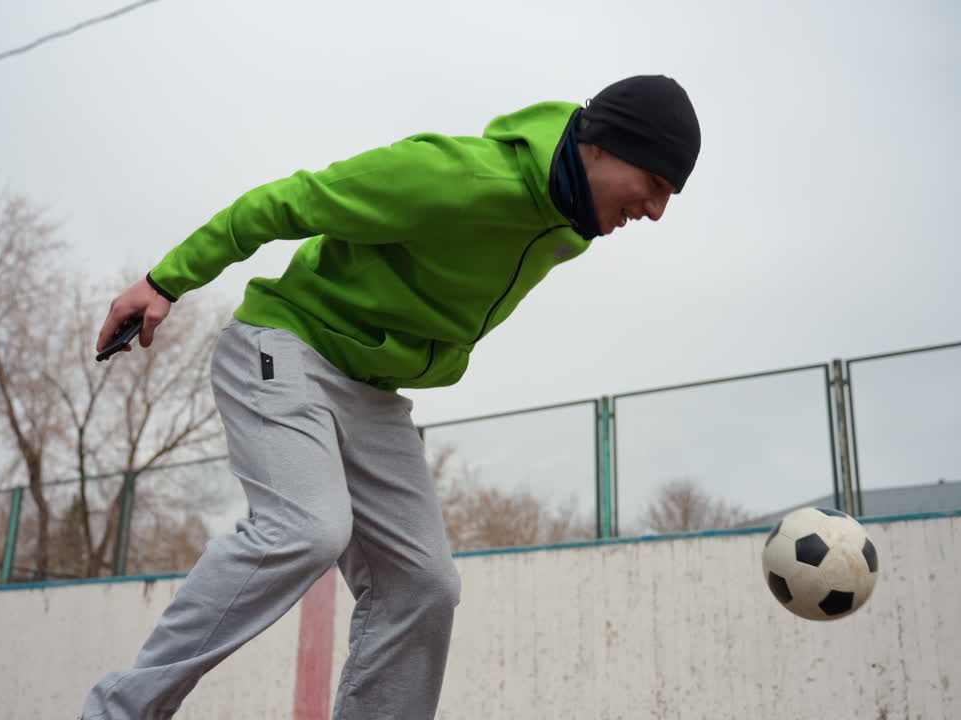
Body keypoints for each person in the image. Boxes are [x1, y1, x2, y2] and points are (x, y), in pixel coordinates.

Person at [82, 74, 701, 720]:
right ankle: (120, 710)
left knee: (425, 585)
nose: (655, 210)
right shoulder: (458, 176)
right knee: (307, 526)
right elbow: (290, 200)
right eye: (655, 185)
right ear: (602, 145)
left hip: (370, 391)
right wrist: (165, 281)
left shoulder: (568, 227)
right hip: (286, 343)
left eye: (669, 197)